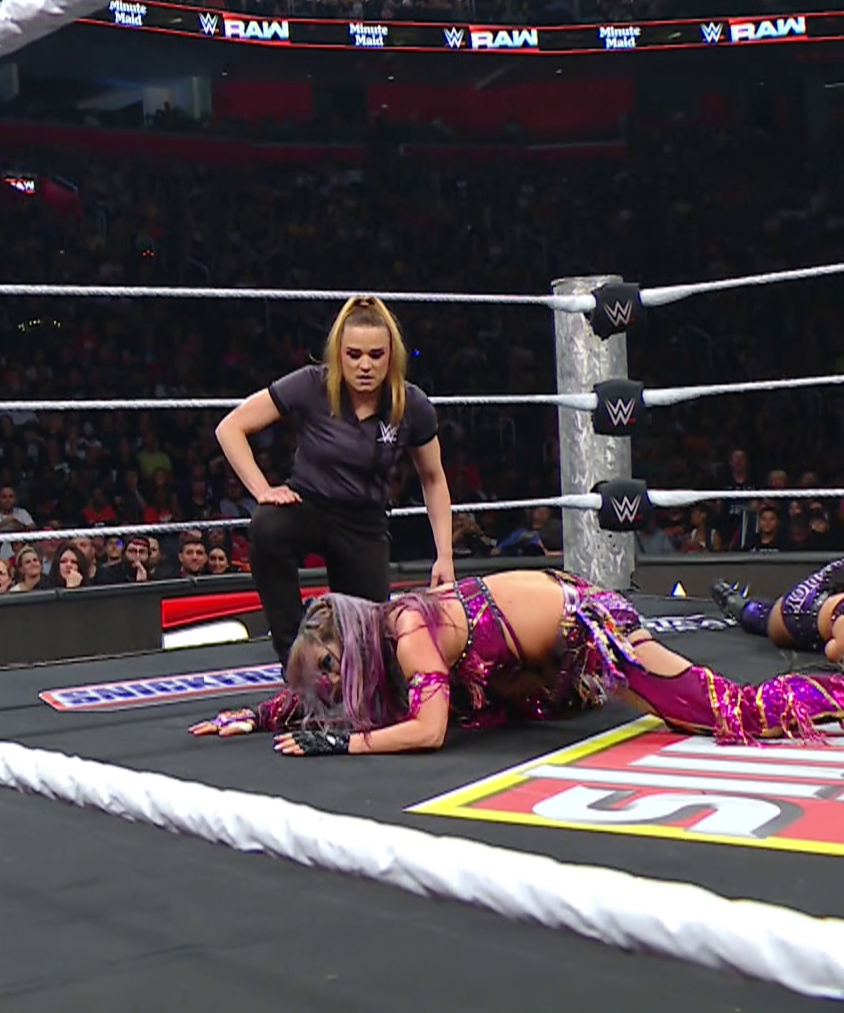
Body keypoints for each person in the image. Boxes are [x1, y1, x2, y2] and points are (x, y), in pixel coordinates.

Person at [190, 569, 844, 756]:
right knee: (470, 702)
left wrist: (342, 742)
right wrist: (262, 714)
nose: (331, 685)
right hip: (540, 665)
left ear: (352, 641)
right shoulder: (380, 636)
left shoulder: (408, 630)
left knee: (723, 712)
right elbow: (336, 688)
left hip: (591, 626)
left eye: (330, 667)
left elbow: (427, 731)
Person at [215, 296, 454, 666]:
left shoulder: (410, 404)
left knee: (372, 649)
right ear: (339, 354)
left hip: (364, 521)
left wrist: (445, 556)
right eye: (354, 354)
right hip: (309, 504)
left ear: (391, 356)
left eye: (376, 355)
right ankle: (294, 658)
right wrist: (263, 490)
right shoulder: (313, 384)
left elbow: (433, 478)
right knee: (267, 526)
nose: (365, 365)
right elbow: (230, 427)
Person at [710, 560, 844, 661]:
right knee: (767, 618)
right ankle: (741, 606)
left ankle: (740, 604)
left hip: (828, 592)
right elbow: (832, 651)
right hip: (799, 610)